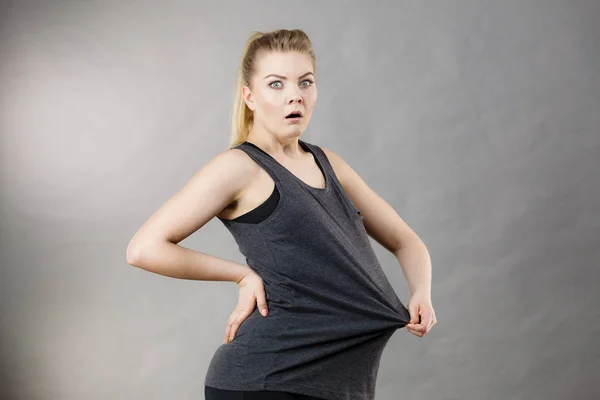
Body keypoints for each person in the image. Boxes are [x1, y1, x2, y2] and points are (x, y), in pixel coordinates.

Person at [126, 29, 436, 400]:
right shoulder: (239, 168)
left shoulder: (328, 162)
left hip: (338, 386)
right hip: (267, 381)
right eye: (276, 84)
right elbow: (143, 249)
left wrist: (422, 292)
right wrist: (241, 276)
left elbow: (406, 241)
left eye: (306, 82)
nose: (295, 95)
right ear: (250, 97)